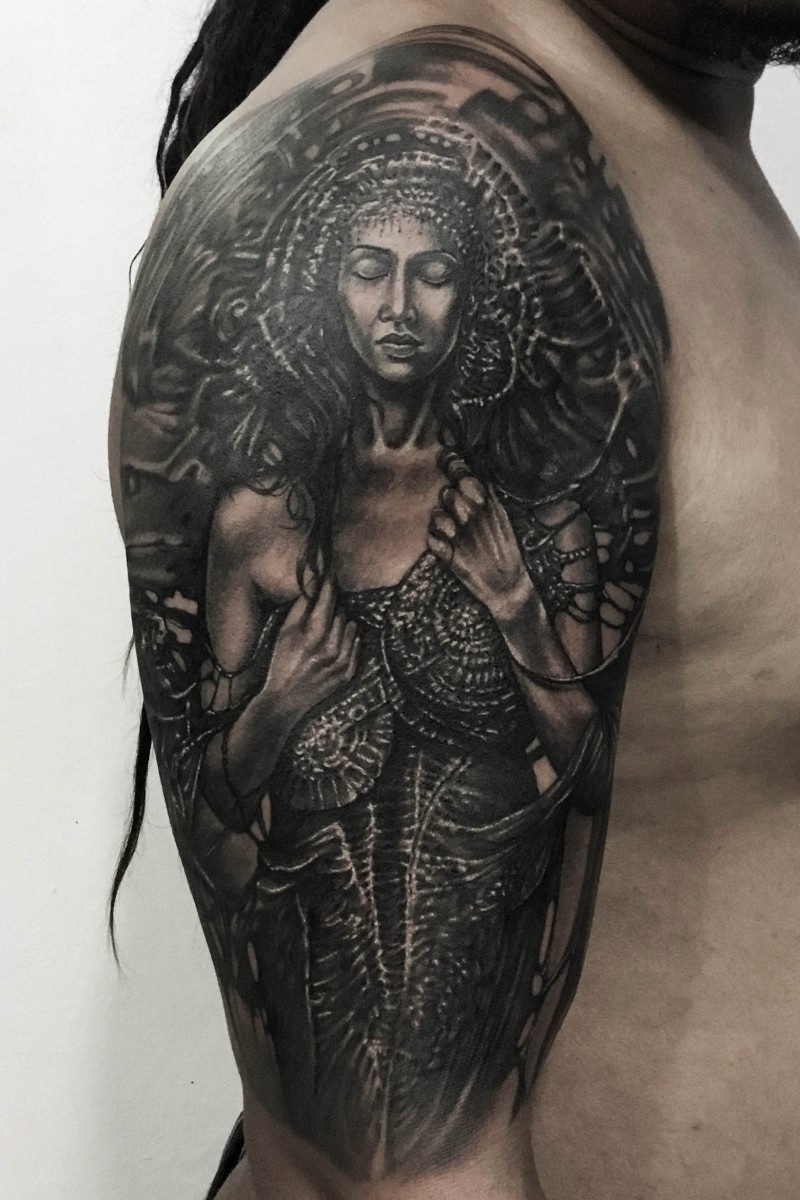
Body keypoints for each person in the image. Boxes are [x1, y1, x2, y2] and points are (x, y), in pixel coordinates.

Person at [108, 1, 800, 1198]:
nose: (398, 306)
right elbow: (373, 1171)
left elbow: (586, 771)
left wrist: (517, 613)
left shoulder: (667, 138)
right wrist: (278, 706)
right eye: (370, 269)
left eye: (432, 275)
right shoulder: (473, 153)